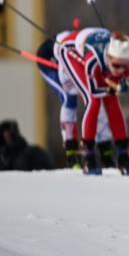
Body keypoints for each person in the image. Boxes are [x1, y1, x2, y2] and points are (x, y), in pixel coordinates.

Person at [54, 28, 129, 176]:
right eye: (116, 65)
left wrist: (118, 86)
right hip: (70, 52)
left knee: (113, 101)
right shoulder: (93, 62)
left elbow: (116, 81)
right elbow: (94, 92)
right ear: (109, 58)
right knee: (93, 101)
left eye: (124, 66)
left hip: (97, 51)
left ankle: (123, 155)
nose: (120, 70)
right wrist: (110, 89)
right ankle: (88, 156)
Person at [36, 32, 115, 169]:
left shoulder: (101, 56)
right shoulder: (75, 59)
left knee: (96, 99)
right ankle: (71, 153)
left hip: (73, 53)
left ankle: (105, 152)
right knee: (69, 97)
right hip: (49, 58)